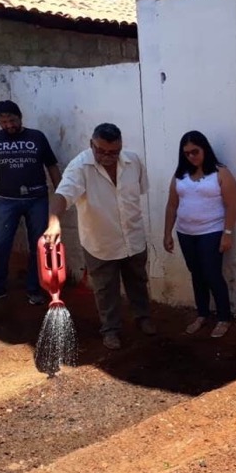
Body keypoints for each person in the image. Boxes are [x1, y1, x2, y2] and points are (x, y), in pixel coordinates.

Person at [43, 123, 155, 350]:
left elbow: (140, 191)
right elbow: (62, 195)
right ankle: (110, 329)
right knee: (105, 289)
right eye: (101, 151)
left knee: (138, 281)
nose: (107, 156)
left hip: (133, 236)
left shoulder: (133, 162)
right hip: (99, 242)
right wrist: (54, 222)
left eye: (114, 152)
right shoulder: (79, 167)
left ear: (121, 146)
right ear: (91, 144)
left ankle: (143, 317)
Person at [0, 100, 61, 305]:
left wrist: (61, 194)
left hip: (37, 199)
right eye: (4, 121)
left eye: (12, 120)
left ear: (20, 117)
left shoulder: (37, 137)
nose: (8, 125)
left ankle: (34, 289)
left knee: (39, 245)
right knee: (0, 245)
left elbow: (51, 165)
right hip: (7, 200)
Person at [163, 131, 236, 338]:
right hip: (186, 232)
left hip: (211, 232)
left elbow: (232, 204)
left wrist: (228, 233)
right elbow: (172, 205)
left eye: (195, 151)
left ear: (205, 148)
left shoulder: (220, 172)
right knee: (196, 274)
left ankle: (224, 317)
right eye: (186, 153)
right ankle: (202, 314)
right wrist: (167, 233)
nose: (191, 157)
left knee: (212, 274)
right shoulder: (180, 175)